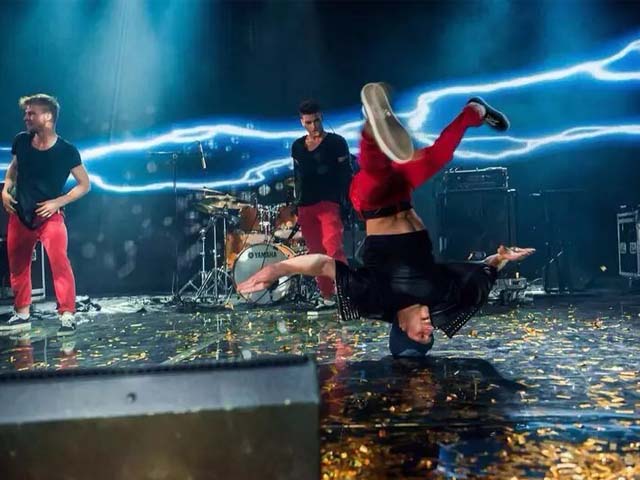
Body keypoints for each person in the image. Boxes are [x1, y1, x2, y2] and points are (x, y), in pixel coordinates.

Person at [239, 83, 534, 356]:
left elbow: (324, 264)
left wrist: (277, 269)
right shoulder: (440, 297)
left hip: (370, 202)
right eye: (431, 337)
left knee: (375, 175)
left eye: (421, 336)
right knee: (438, 156)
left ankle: (373, 125)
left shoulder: (377, 300)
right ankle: (473, 112)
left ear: (402, 328)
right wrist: (501, 258)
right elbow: (478, 277)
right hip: (402, 193)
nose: (430, 330)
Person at [1, 94, 91, 336]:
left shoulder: (66, 150)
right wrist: (5, 190)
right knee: (18, 266)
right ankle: (22, 313)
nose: (26, 117)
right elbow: (13, 169)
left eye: (32, 113)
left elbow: (84, 184)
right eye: (26, 113)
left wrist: (57, 202)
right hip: (20, 213)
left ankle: (67, 315)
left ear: (48, 116)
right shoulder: (21, 141)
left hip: (50, 215)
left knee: (59, 263)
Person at [291, 100, 353, 307]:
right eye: (309, 122)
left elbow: (346, 175)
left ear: (322, 117)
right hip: (306, 205)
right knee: (316, 253)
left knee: (333, 249)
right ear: (302, 122)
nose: (314, 126)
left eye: (316, 120)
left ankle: (346, 293)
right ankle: (326, 295)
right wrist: (297, 203)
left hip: (329, 203)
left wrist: (345, 202)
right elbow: (298, 176)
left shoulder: (336, 142)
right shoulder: (297, 146)